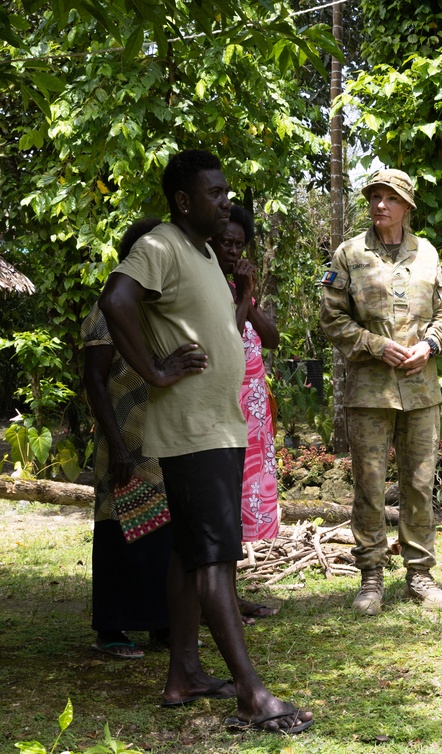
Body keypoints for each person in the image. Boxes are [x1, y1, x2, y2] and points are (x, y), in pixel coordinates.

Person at [99, 149, 312, 733]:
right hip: (194, 431)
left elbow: (239, 329)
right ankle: (251, 691)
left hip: (218, 425)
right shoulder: (162, 246)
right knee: (215, 560)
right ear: (184, 200)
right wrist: (154, 371)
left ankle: (185, 674)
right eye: (214, 194)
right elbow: (116, 300)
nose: (225, 202)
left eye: (225, 191)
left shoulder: (201, 254)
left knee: (189, 551)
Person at [319, 168, 442, 616]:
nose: (380, 204)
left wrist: (431, 344)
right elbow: (333, 319)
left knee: (419, 484)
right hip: (369, 392)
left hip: (420, 391)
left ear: (407, 205)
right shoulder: (349, 254)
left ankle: (420, 575)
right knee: (369, 487)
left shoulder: (428, 253)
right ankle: (371, 577)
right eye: (374, 196)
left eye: (390, 197)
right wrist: (377, 346)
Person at [83, 218, 171, 660]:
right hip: (122, 440)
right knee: (118, 528)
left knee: (159, 533)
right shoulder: (107, 310)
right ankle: (112, 629)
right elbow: (94, 380)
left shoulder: (156, 307)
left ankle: (160, 623)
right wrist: (116, 444)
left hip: (160, 442)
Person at [208, 205, 281, 624]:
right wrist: (241, 295)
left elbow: (269, 338)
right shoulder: (208, 288)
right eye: (226, 242)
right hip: (222, 414)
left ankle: (232, 597)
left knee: (237, 509)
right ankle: (220, 603)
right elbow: (228, 341)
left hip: (252, 417)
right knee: (221, 508)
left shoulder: (239, 288)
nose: (233, 250)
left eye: (239, 243)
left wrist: (248, 295)